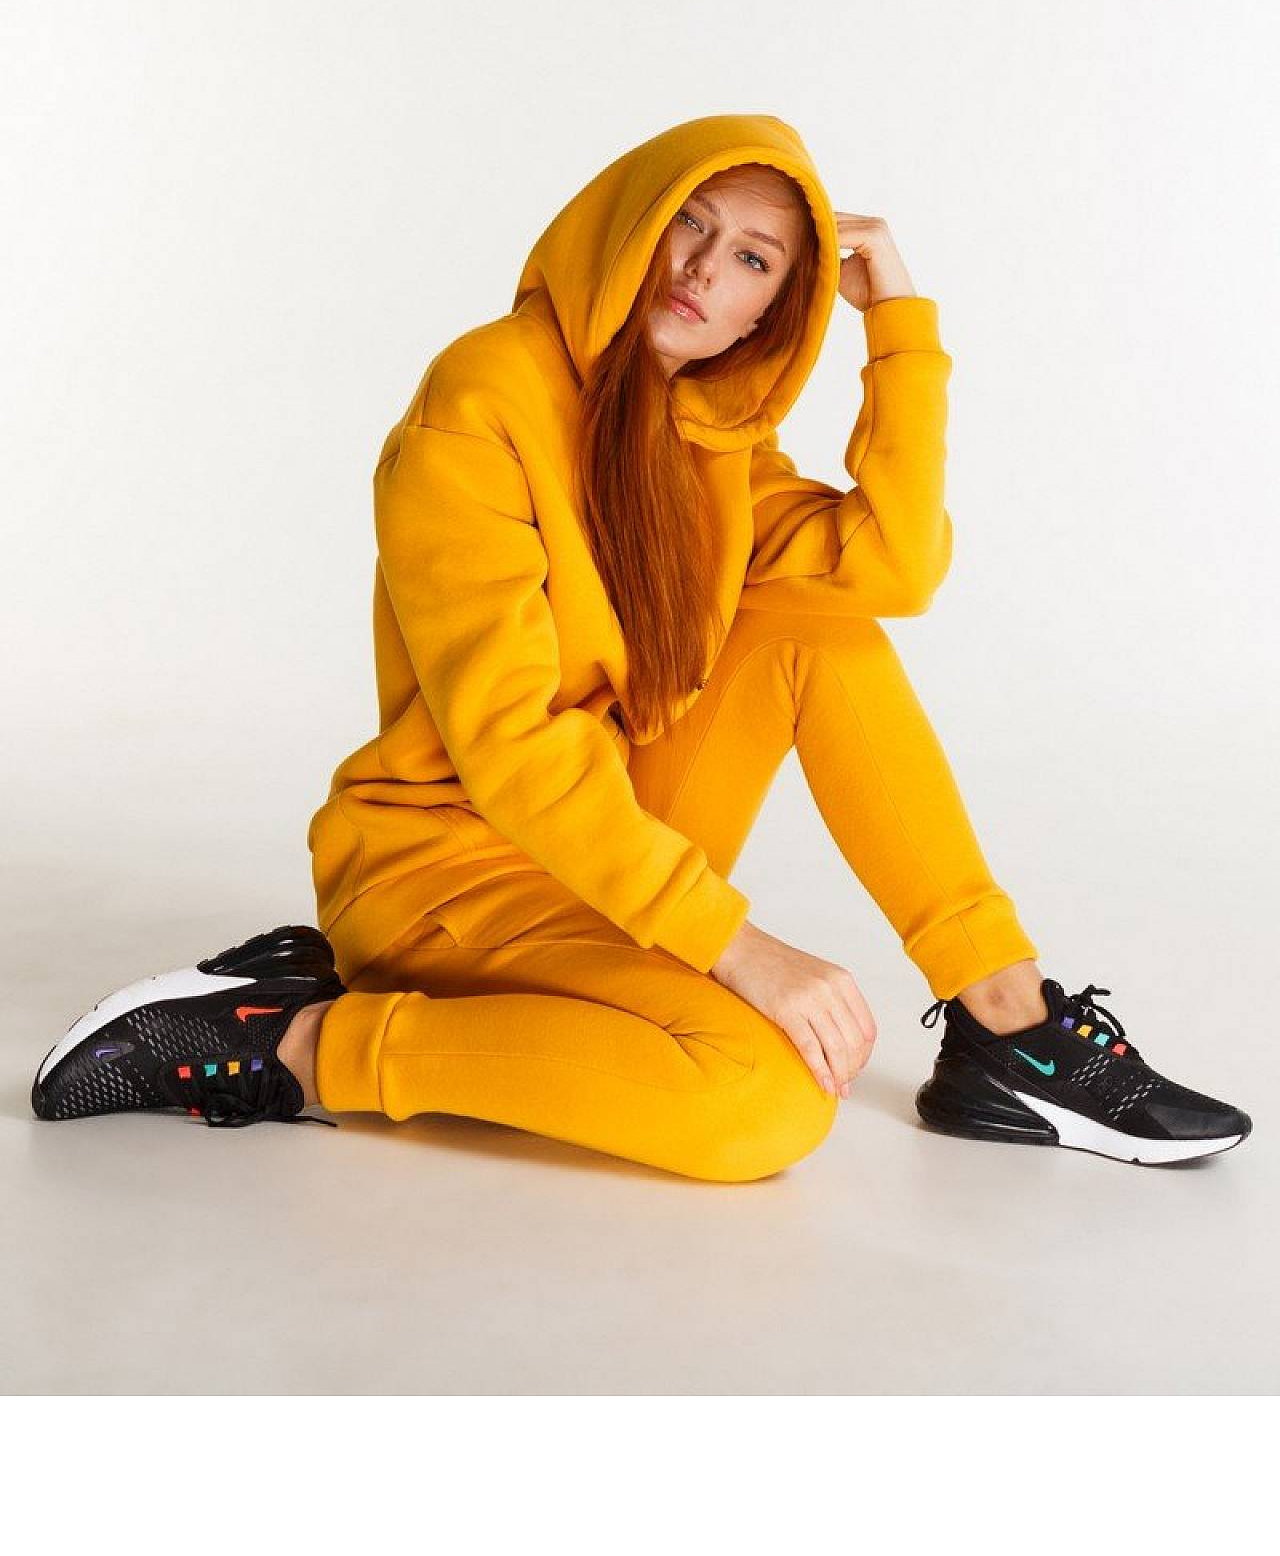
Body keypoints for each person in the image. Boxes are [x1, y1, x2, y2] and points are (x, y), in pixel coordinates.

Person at [31, 113, 1251, 1178]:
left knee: (820, 633)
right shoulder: (480, 401)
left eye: (753, 259)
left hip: (587, 852)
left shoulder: (705, 433)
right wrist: (740, 949)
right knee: (765, 1102)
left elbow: (891, 566)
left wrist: (897, 326)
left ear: (774, 310)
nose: (705, 270)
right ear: (632, 225)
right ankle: (287, 1046)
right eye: (690, 227)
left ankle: (1007, 1026)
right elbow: (513, 746)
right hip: (441, 875)